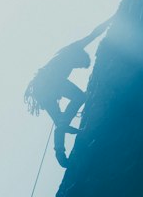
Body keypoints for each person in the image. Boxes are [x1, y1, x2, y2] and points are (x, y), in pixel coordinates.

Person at [24, 19, 111, 166]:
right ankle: (60, 148)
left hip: (42, 90)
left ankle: (59, 152)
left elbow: (61, 124)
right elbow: (93, 34)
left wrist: (72, 128)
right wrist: (110, 21)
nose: (78, 67)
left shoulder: (68, 57)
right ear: (81, 58)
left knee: (60, 122)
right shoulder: (75, 48)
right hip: (50, 82)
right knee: (79, 97)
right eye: (81, 65)